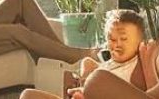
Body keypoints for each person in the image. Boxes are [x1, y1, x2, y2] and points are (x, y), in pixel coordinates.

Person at [18, 9, 149, 99]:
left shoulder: (137, 65)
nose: (117, 44)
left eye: (124, 39)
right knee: (28, 95)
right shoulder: (109, 64)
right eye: (112, 39)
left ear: (140, 41)